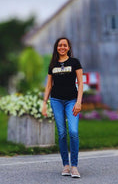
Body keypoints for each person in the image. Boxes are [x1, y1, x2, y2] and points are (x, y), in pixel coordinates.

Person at [41, 37, 83, 178]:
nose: (62, 47)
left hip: (72, 100)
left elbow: (80, 84)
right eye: (60, 45)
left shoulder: (75, 62)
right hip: (56, 100)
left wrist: (79, 102)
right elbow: (48, 86)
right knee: (62, 133)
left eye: (65, 45)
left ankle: (74, 166)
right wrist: (44, 103)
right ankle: (66, 165)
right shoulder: (52, 64)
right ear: (56, 48)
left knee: (73, 131)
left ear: (69, 48)